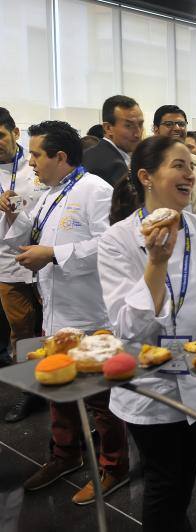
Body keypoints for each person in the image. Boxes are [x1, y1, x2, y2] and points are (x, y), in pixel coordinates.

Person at [99, 135, 196, 531]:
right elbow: (127, 328)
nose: (189, 173)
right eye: (178, 165)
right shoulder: (117, 240)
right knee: (162, 484)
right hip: (148, 388)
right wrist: (156, 264)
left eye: (192, 166)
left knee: (184, 479)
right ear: (146, 176)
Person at [0, 120, 129, 505]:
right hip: (56, 310)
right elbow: (25, 232)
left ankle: (114, 465)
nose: (32, 162)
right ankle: (66, 455)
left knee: (100, 399)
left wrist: (54, 254)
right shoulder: (48, 193)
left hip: (92, 313)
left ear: (61, 156)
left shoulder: (95, 191)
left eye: (37, 155)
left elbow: (111, 244)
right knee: (58, 388)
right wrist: (12, 213)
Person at [0, 107, 46, 423]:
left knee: (52, 327)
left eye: (0, 136)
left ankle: (60, 383)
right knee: (22, 332)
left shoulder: (36, 163)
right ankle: (29, 392)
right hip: (7, 263)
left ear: (15, 132)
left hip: (46, 259)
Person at [151, 105, 196, 217]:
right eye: (169, 124)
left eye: (181, 124)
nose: (177, 128)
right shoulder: (146, 162)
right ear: (156, 129)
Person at [83, 95, 144, 186]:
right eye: (129, 126)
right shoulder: (111, 166)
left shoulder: (94, 154)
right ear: (108, 128)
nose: (138, 134)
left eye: (140, 124)